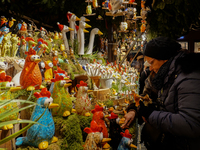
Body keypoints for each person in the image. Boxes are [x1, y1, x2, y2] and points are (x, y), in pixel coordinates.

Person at [122, 37, 200, 150]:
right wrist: (134, 110)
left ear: (164, 58)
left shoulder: (189, 76)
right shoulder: (165, 74)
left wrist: (151, 115)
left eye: (152, 62)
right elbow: (147, 97)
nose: (151, 68)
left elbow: (191, 124)